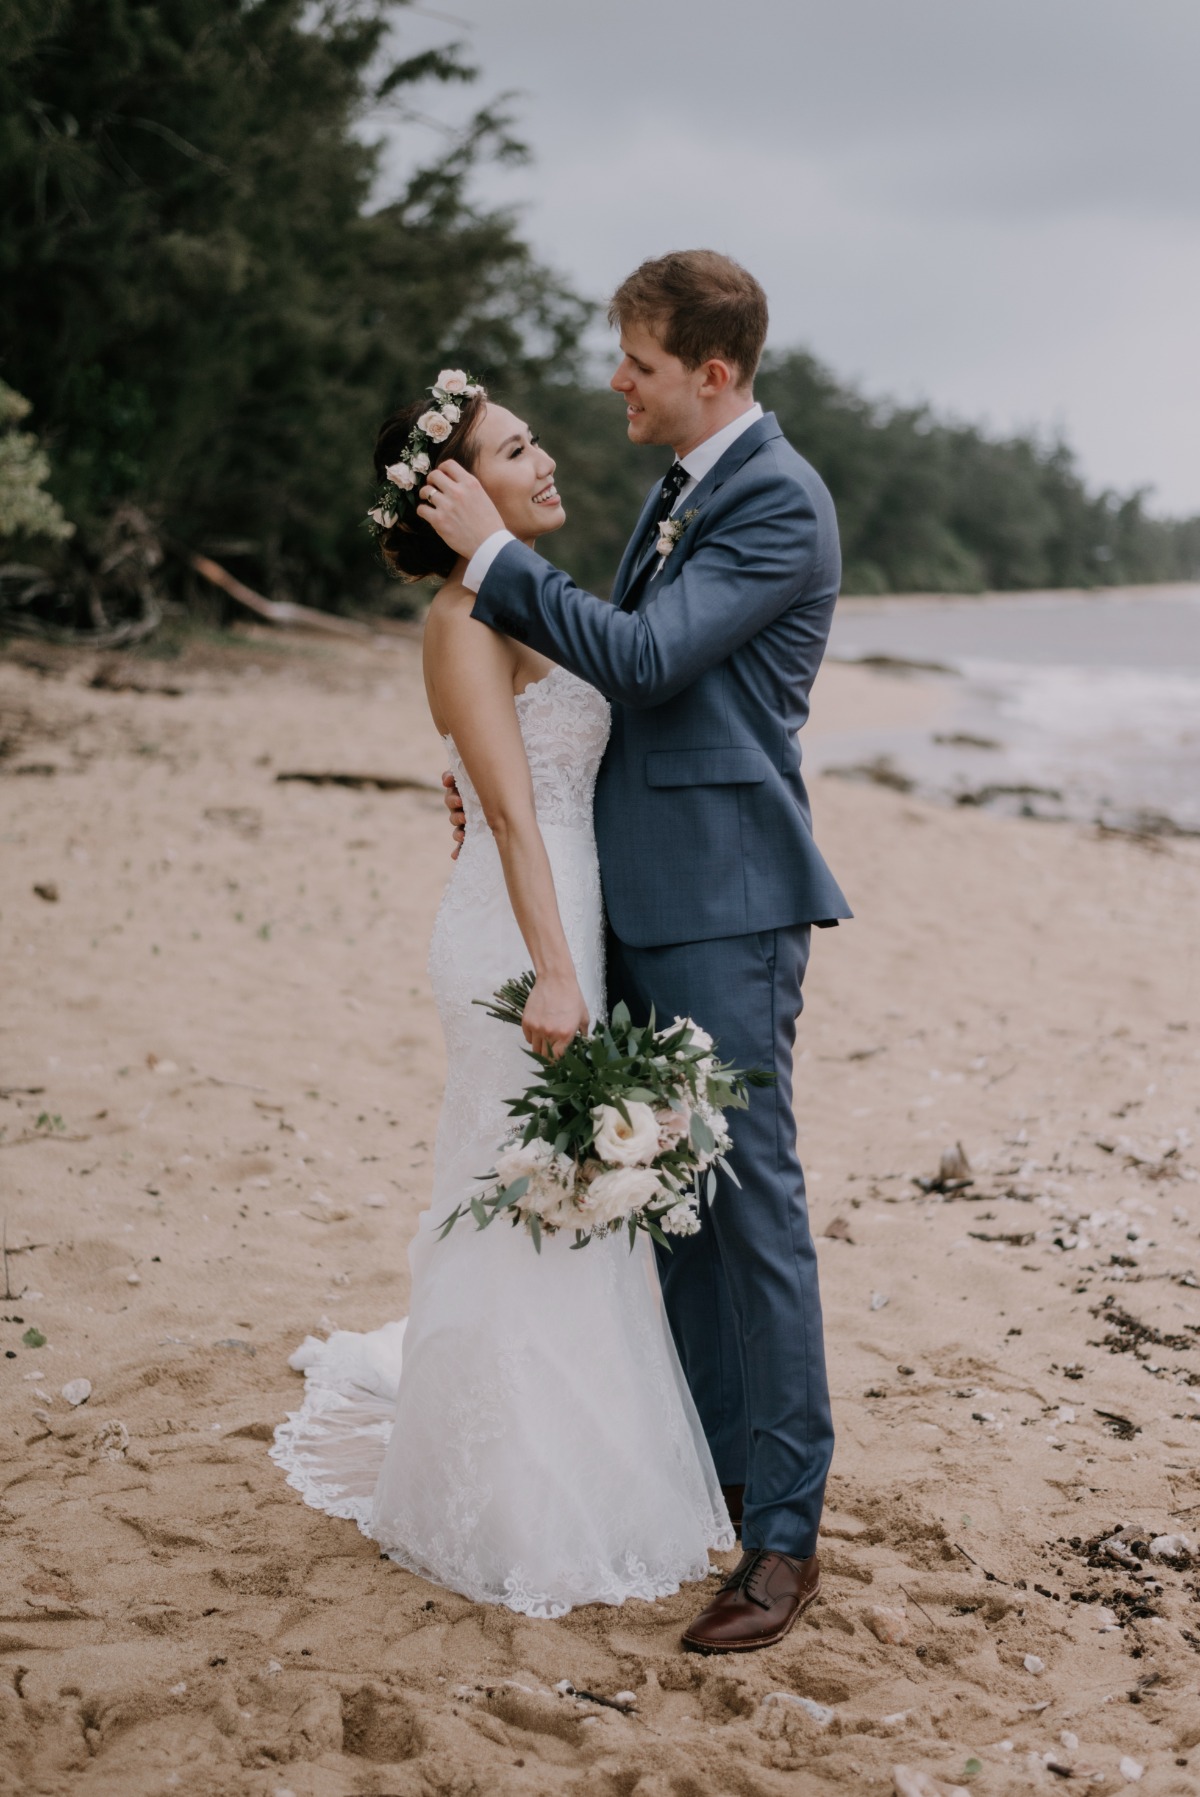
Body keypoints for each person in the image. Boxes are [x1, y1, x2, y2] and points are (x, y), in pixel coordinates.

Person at [421, 251, 851, 1653]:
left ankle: (784, 1536)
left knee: (755, 1206)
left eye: (639, 363)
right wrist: (506, 755)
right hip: (637, 899)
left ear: (710, 374)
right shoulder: (682, 492)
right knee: (665, 1201)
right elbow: (616, 679)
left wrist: (489, 556)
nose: (617, 381)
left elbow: (656, 658)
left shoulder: (775, 500)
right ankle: (717, 1469)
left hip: (726, 899)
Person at [272, 373, 733, 1623]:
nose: (544, 462)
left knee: (574, 1208)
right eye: (513, 450)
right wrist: (560, 970)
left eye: (532, 444)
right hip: (519, 938)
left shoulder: (536, 599)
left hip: (561, 907)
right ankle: (497, 1497)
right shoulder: (460, 618)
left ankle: (583, 1472)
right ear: (457, 489)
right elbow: (517, 814)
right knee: (512, 1196)